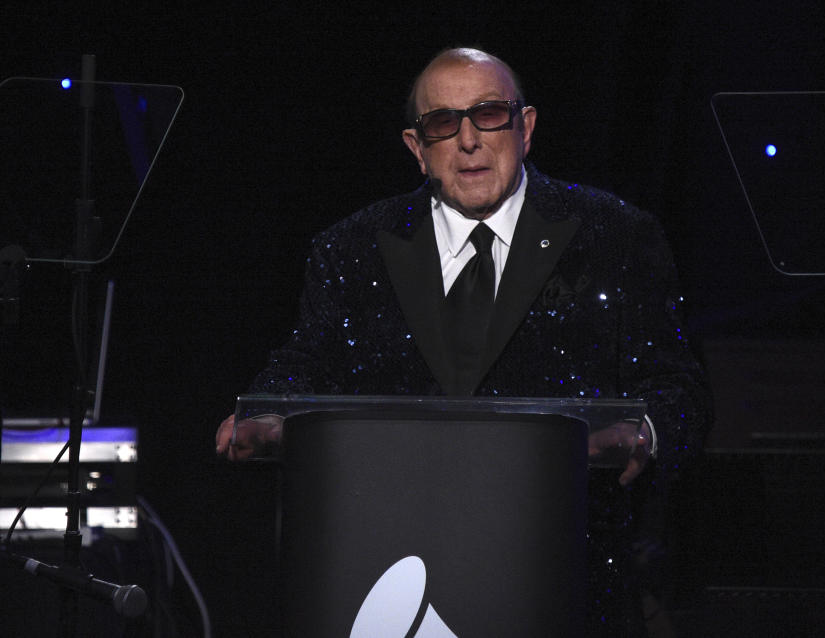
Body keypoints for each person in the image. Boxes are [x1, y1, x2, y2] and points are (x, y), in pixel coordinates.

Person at [216, 47, 710, 635]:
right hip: (393, 573)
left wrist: (640, 434)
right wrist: (266, 412)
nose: (469, 140)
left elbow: (680, 389)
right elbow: (304, 363)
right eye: (444, 123)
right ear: (416, 147)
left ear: (524, 127)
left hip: (563, 574)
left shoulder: (616, 237)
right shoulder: (351, 248)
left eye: (490, 114)